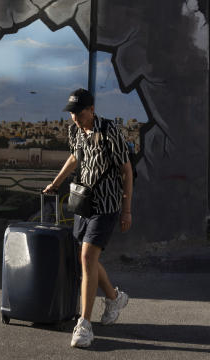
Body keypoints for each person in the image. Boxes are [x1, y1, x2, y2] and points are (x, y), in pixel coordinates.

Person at [43, 88, 132, 349]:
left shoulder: (110, 131)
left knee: (86, 257)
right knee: (89, 258)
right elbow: (74, 158)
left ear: (91, 110)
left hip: (107, 204)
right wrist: (55, 183)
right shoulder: (75, 131)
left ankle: (84, 324)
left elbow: (126, 170)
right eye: (72, 114)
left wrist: (127, 209)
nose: (75, 118)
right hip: (84, 202)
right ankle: (114, 298)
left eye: (79, 113)